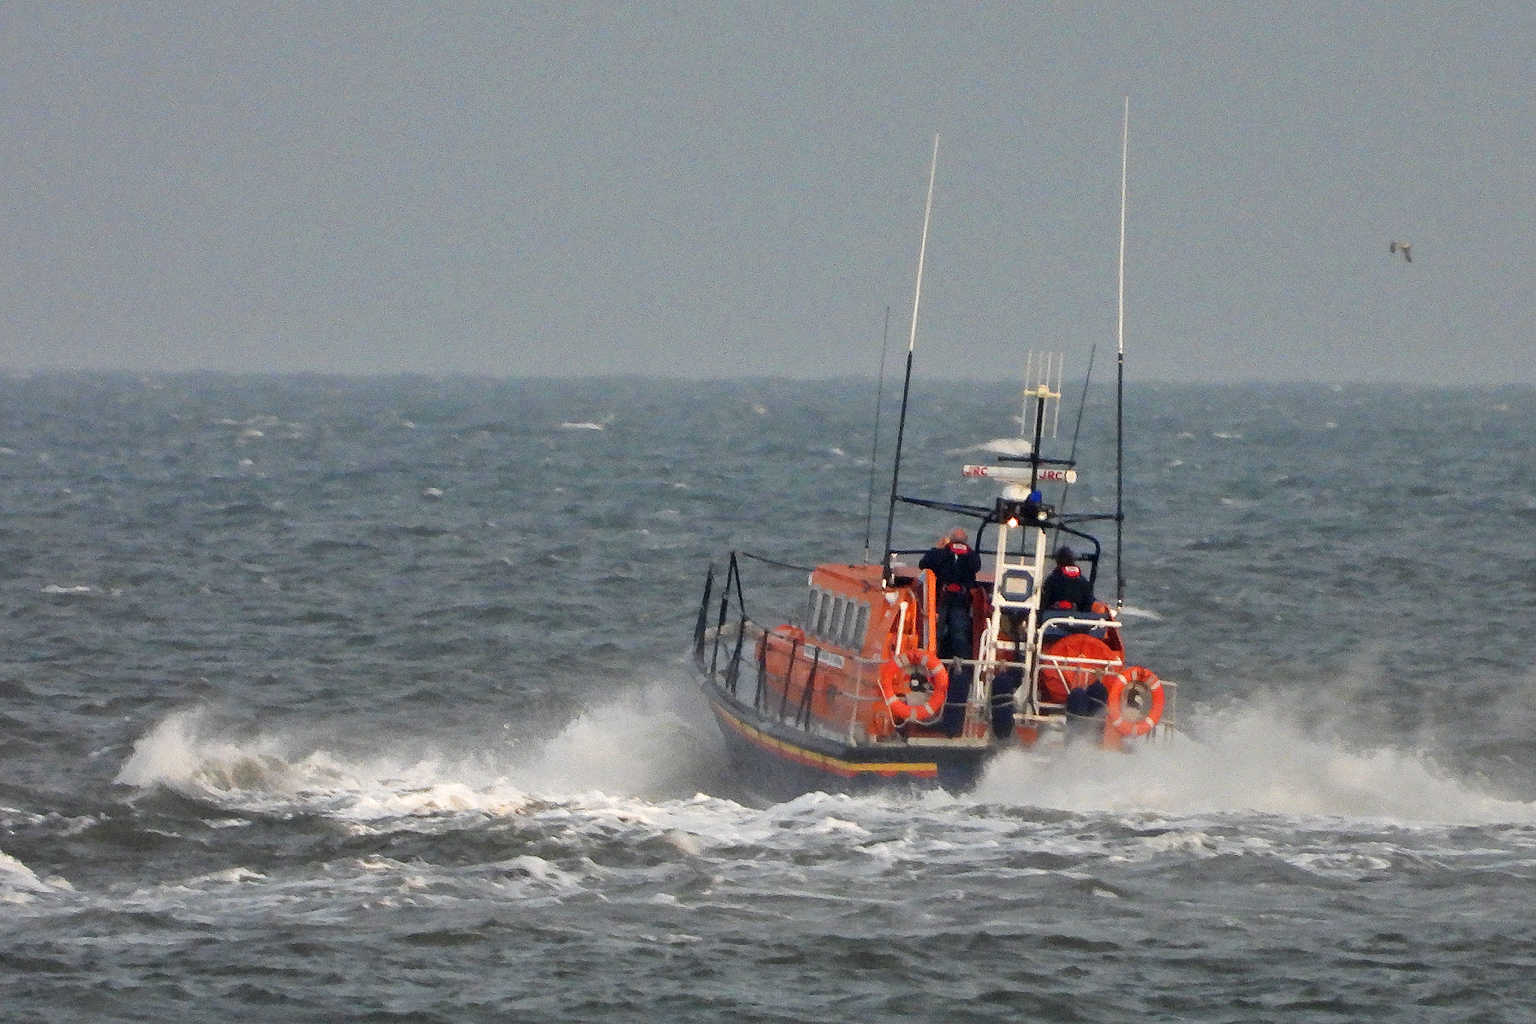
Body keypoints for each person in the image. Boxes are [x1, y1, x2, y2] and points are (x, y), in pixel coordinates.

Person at [919, 527, 981, 659]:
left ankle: (956, 664)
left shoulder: (969, 556)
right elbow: (924, 564)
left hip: (958, 601)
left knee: (956, 634)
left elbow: (924, 563)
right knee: (940, 632)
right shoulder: (944, 554)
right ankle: (935, 661)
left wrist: (941, 549)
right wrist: (944, 551)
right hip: (943, 599)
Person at [1040, 546, 1094, 613]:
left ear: (1057, 561)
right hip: (1079, 619)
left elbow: (1044, 603)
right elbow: (1088, 605)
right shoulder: (1084, 581)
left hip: (1053, 619)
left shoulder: (1052, 579)